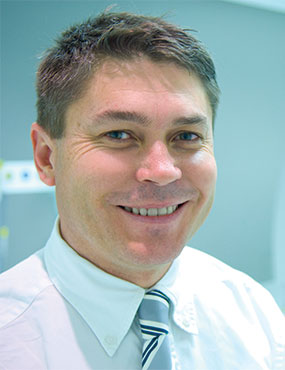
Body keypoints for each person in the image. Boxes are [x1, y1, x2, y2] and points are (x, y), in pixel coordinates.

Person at [0, 11, 284, 370]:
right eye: (119, 135)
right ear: (46, 157)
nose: (163, 172)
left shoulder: (256, 320)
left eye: (186, 137)